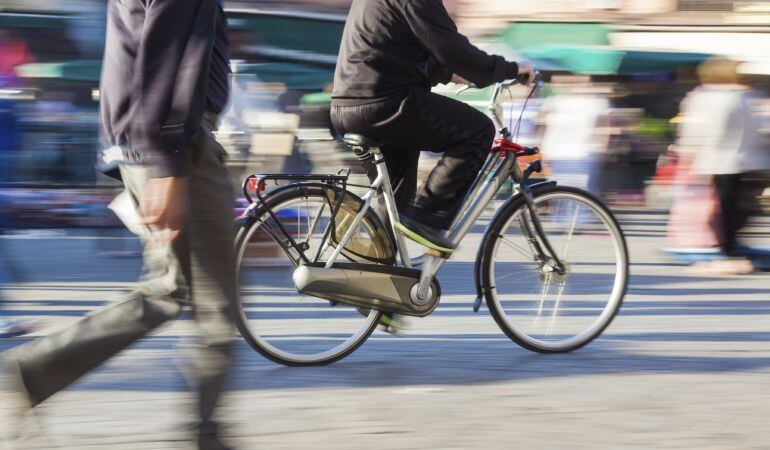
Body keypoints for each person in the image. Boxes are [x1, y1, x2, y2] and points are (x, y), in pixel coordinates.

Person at [1, 1, 238, 449]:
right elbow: (166, 56)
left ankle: (34, 369)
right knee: (206, 300)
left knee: (179, 291)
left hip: (154, 142)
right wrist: (168, 165)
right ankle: (207, 435)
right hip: (177, 145)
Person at [330, 0, 535, 252]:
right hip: (385, 104)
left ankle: (380, 273)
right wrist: (510, 69)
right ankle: (427, 216)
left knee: (394, 200)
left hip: (348, 106)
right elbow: (451, 49)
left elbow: (402, 52)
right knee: (478, 131)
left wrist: (451, 74)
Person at [669, 58, 770, 274]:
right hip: (749, 161)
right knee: (740, 208)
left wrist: (687, 155)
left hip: (717, 162)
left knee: (726, 208)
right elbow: (761, 127)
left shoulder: (701, 97)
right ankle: (731, 245)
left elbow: (694, 131)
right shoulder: (746, 96)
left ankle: (728, 246)